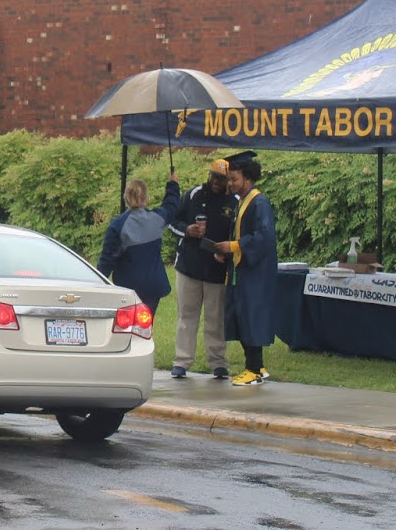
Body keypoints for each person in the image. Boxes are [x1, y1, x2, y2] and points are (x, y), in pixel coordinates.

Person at [166, 158, 239, 379]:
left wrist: (226, 254)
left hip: (217, 269)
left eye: (222, 179)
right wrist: (187, 230)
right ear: (209, 175)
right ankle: (182, 361)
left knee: (215, 319)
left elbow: (237, 236)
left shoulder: (234, 201)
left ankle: (218, 363)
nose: (216, 182)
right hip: (189, 266)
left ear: (228, 180)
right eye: (214, 177)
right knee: (186, 316)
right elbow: (171, 221)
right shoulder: (194, 194)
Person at [211, 152, 278, 386]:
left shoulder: (259, 202)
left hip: (255, 271)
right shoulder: (241, 201)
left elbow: (264, 237)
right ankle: (257, 366)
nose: (230, 183)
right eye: (229, 179)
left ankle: (254, 369)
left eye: (234, 179)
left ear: (248, 179)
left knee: (251, 318)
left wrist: (236, 246)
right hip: (241, 269)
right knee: (241, 317)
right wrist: (226, 251)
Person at [97, 172, 181, 321]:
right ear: (145, 199)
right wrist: (173, 184)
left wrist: (97, 282)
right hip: (153, 284)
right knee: (146, 324)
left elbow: (107, 259)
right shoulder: (157, 218)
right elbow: (171, 205)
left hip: (129, 286)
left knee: (128, 326)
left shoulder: (118, 225)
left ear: (126, 198)